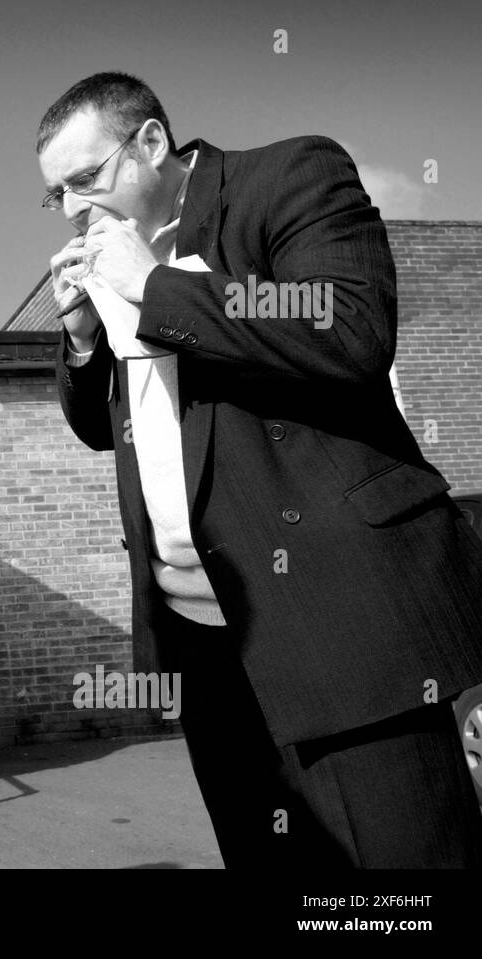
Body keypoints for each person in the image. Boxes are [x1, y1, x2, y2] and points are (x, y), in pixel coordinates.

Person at [40, 71, 482, 867]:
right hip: (210, 654)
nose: (72, 207)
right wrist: (80, 339)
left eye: (84, 179)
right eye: (55, 195)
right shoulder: (109, 269)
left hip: (341, 627)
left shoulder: (287, 178)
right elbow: (106, 428)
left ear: (149, 142)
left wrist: (155, 285)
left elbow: (349, 328)